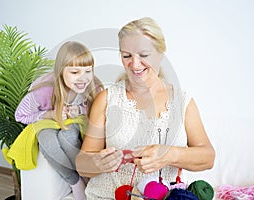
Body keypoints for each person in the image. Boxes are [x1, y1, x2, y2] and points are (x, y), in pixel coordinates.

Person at [75, 17, 215, 199]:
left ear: (160, 54)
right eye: (126, 56)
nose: (134, 64)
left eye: (143, 55)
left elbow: (208, 157)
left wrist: (169, 155)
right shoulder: (107, 99)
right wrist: (98, 162)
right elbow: (82, 163)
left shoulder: (182, 101)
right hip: (110, 196)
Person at [15, 41, 103, 200]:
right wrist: (50, 114)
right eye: (75, 72)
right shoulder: (44, 89)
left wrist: (80, 111)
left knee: (67, 139)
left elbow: (98, 111)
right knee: (48, 143)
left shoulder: (93, 86)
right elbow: (20, 115)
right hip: (47, 119)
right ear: (61, 71)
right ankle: (75, 182)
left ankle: (85, 174)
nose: (83, 78)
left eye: (88, 71)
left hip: (75, 121)